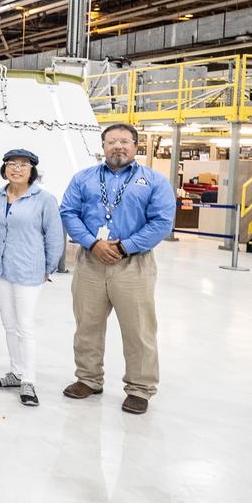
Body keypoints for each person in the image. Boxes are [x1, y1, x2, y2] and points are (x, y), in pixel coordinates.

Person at [59, 123, 176, 415]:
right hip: (90, 262)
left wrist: (125, 247)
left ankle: (139, 388)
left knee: (138, 329)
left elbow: (161, 222)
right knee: (87, 325)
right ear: (103, 146)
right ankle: (88, 378)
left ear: (136, 147)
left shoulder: (154, 182)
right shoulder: (83, 179)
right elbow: (68, 212)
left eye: (124, 141)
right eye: (111, 141)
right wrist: (91, 243)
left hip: (133, 264)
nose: (118, 147)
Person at [0, 149, 64, 407]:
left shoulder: (44, 199)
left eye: (23, 165)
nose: (16, 169)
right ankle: (16, 372)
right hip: (0, 268)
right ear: (4, 168)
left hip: (28, 270)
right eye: (11, 164)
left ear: (32, 171)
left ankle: (28, 379)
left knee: (25, 326)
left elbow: (54, 235)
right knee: (9, 324)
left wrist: (48, 268)